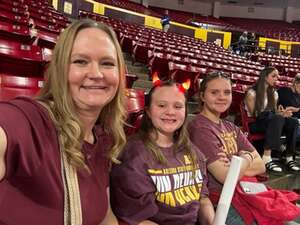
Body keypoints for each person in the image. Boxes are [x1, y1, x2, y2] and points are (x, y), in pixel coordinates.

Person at [0, 19, 126, 225]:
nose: (96, 74)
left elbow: (105, 216)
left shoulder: (105, 140)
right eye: (80, 61)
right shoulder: (29, 120)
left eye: (107, 63)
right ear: (60, 70)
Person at [111, 80, 216, 225]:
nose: (170, 112)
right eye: (161, 105)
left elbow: (202, 198)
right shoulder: (133, 155)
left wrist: (213, 222)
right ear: (148, 110)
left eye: (178, 106)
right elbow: (139, 219)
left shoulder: (192, 150)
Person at [188, 71, 266, 225]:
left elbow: (262, 166)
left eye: (227, 92)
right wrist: (247, 157)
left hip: (243, 193)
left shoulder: (230, 126)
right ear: (202, 96)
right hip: (220, 201)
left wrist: (236, 164)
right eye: (214, 92)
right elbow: (225, 176)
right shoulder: (199, 127)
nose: (222, 97)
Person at [244, 67, 300, 174]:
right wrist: (277, 115)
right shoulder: (252, 93)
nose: (276, 79)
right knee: (275, 117)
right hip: (255, 123)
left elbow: (274, 113)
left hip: (270, 121)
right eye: (273, 76)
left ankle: (289, 157)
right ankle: (266, 157)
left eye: (277, 76)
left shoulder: (274, 93)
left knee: (293, 121)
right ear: (265, 77)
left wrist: (283, 114)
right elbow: (256, 115)